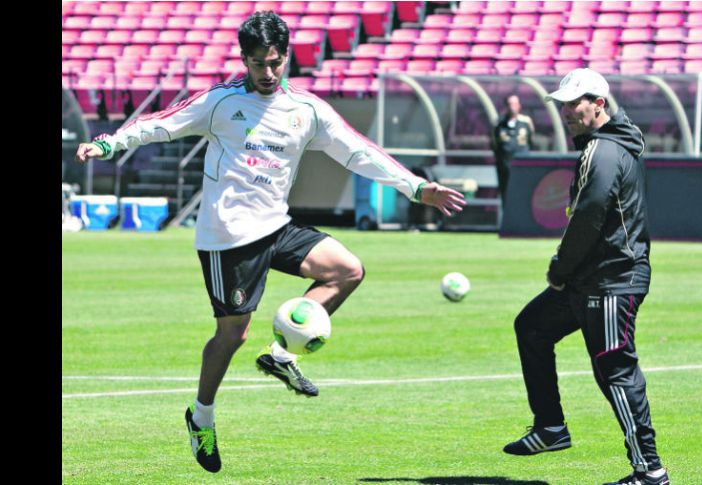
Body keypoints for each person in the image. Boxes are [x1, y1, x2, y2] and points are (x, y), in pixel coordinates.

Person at [75, 11, 466, 474]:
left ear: (286, 58)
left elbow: (359, 151)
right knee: (233, 334)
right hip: (228, 237)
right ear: (244, 59)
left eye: (276, 62)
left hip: (276, 226)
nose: (268, 72)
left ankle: (281, 355)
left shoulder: (307, 110)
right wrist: (108, 143)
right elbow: (162, 123)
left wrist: (417, 187)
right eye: (258, 63)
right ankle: (201, 417)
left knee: (347, 270)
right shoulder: (220, 102)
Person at [501, 69, 669, 485]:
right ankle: (551, 428)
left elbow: (589, 216)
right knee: (532, 327)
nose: (567, 112)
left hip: (612, 279)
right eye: (563, 104)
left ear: (599, 104)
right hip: (592, 278)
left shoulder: (602, 151)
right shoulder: (611, 142)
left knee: (614, 370)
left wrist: (560, 269)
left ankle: (649, 469)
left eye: (576, 103)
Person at [491, 94, 534, 205]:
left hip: (522, 168)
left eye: (515, 104)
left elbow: (531, 141)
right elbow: (494, 144)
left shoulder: (526, 122)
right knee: (506, 197)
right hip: (504, 167)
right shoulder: (499, 123)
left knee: (523, 195)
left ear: (519, 106)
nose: (512, 107)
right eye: (510, 104)